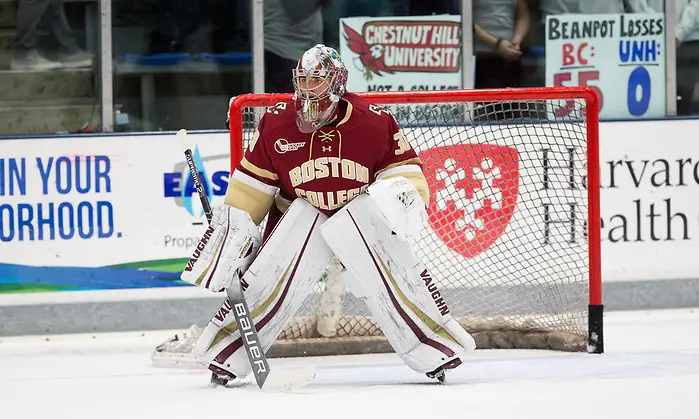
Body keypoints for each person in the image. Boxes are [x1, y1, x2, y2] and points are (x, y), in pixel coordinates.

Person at [162, 44, 476, 386]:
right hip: (301, 225)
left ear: (337, 83)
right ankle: (226, 354)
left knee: (395, 270)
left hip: (359, 226)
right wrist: (232, 241)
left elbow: (404, 173)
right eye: (303, 79)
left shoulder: (374, 123)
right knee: (271, 271)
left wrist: (404, 201)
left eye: (317, 80)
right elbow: (251, 190)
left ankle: (435, 348)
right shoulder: (277, 123)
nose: (308, 89)